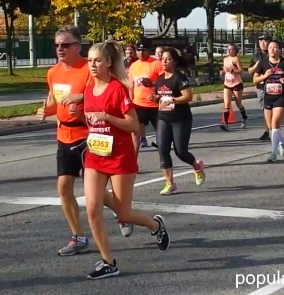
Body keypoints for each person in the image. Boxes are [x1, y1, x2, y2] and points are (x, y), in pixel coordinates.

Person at [40, 25, 133, 257]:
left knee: (97, 194)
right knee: (64, 186)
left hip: (87, 135)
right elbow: (54, 101)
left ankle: (122, 214)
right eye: (57, 45)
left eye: (65, 44)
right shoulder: (53, 72)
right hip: (64, 135)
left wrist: (79, 99)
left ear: (77, 46)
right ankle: (78, 237)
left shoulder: (88, 68)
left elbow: (102, 89)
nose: (60, 49)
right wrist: (45, 110)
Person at [83, 40, 170, 280]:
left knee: (124, 214)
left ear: (109, 62)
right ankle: (108, 262)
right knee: (92, 209)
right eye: (89, 60)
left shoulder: (117, 88)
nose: (92, 65)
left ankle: (155, 226)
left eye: (97, 60)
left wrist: (107, 117)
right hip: (95, 156)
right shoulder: (89, 87)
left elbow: (133, 125)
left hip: (120, 158)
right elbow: (91, 120)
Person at [149, 47, 206, 195]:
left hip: (180, 119)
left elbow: (188, 97)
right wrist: (155, 98)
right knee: (162, 150)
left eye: (168, 59)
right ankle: (170, 183)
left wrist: (172, 99)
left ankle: (196, 166)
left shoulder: (179, 78)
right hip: (163, 118)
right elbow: (159, 96)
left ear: (174, 61)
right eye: (162, 59)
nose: (164, 61)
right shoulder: (160, 79)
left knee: (181, 151)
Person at [253, 41, 284, 162]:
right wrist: (264, 76)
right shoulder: (263, 63)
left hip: (281, 96)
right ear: (267, 50)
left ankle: (273, 153)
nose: (272, 50)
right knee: (270, 127)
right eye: (270, 48)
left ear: (280, 50)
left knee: (275, 123)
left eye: (275, 47)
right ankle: (282, 140)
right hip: (268, 96)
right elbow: (255, 79)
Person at [128, 42, 163, 151]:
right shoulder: (134, 66)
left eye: (144, 50)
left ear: (148, 51)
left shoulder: (156, 64)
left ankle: (164, 156)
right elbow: (131, 85)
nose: (141, 53)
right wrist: (130, 101)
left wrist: (153, 85)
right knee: (135, 133)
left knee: (161, 131)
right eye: (138, 50)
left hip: (154, 104)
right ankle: (133, 162)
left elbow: (165, 82)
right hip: (138, 104)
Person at [249, 34, 272, 141]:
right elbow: (249, 71)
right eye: (260, 41)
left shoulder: (273, 53)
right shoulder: (257, 55)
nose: (262, 43)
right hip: (260, 86)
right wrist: (256, 65)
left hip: (272, 86)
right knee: (265, 109)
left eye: (265, 41)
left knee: (272, 109)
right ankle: (269, 130)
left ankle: (270, 130)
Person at [221, 43, 248, 130]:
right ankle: (226, 124)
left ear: (235, 51)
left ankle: (244, 117)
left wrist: (233, 70)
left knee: (238, 103)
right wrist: (222, 72)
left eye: (231, 49)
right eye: (228, 49)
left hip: (236, 83)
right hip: (227, 83)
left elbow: (241, 71)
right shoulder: (225, 59)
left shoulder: (236, 59)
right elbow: (224, 69)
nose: (229, 51)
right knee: (227, 103)